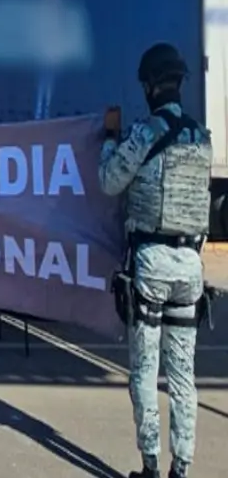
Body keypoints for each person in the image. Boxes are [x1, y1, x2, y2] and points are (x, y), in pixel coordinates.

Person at [99, 43, 212, 478]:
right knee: (183, 376)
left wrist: (110, 140)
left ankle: (149, 466)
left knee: (145, 371)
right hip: (190, 268)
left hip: (151, 264)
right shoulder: (202, 139)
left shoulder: (144, 135)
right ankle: (181, 468)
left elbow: (109, 182)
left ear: (149, 87)